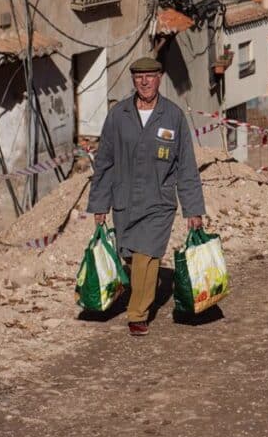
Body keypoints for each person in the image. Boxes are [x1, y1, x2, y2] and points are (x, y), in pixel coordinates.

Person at [87, 56, 205, 336]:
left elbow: (186, 165)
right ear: (133, 81)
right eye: (139, 77)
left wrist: (193, 209)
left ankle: (137, 313)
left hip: (159, 201)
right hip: (125, 199)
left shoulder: (173, 116)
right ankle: (135, 294)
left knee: (147, 255)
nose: (145, 81)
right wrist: (100, 204)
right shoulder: (118, 116)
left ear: (159, 78)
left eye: (150, 76)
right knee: (129, 254)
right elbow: (105, 161)